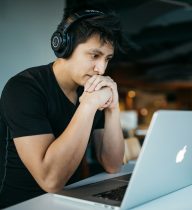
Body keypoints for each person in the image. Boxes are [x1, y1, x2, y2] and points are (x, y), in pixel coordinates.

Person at [0, 5, 125, 208]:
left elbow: (113, 164)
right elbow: (50, 180)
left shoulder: (90, 88)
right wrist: (89, 104)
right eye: (94, 55)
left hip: (71, 201)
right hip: (23, 204)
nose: (101, 69)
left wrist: (113, 107)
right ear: (64, 46)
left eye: (107, 59)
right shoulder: (24, 88)